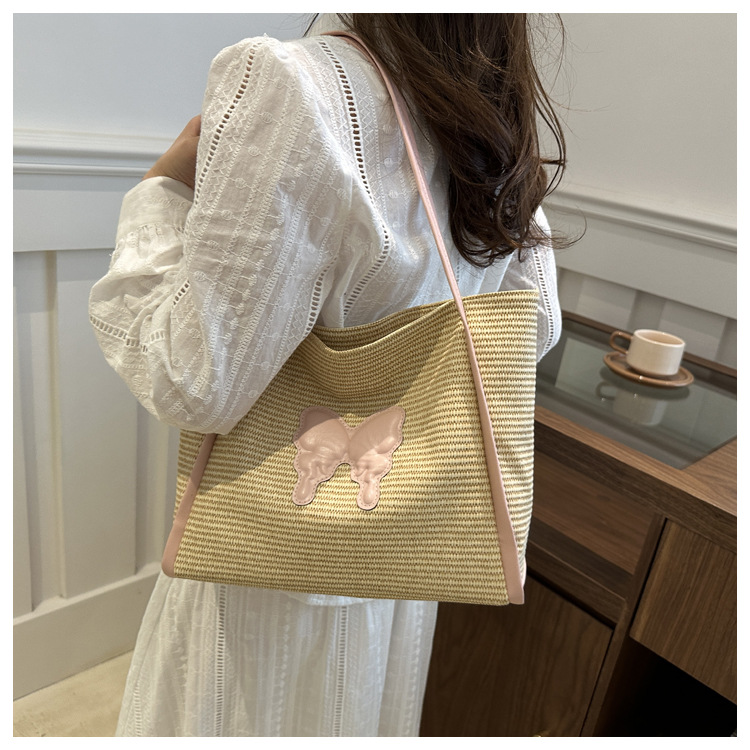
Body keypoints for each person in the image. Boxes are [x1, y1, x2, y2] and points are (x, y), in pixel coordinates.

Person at [89, 13, 566, 737]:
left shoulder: (295, 84)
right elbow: (536, 329)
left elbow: (189, 381)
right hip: (403, 558)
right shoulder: (489, 112)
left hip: (265, 573)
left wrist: (160, 194)